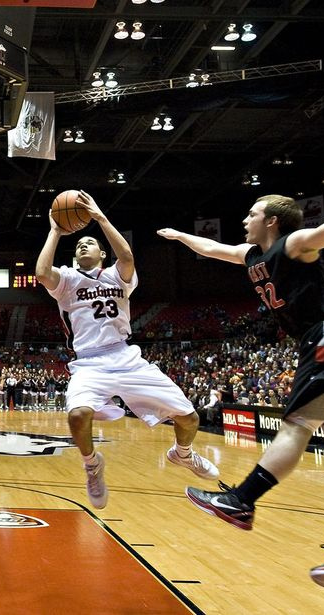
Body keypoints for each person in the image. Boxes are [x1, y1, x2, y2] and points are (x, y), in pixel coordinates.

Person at [157, 160, 324, 589]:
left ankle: (241, 501)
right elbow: (212, 250)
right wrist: (179, 237)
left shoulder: (294, 244)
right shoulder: (252, 255)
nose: (245, 219)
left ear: (270, 220)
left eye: (252, 213)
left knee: (297, 425)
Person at [35, 190, 218, 510]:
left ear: (103, 254)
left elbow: (128, 257)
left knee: (189, 417)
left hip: (125, 356)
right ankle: (92, 465)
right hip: (89, 363)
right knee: (77, 415)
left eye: (89, 242)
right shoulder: (66, 280)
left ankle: (183, 454)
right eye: (79, 244)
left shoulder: (118, 274)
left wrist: (99, 216)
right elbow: (40, 273)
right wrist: (54, 231)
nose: (82, 245)